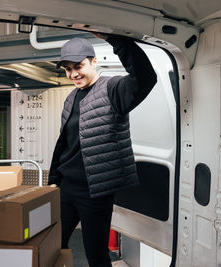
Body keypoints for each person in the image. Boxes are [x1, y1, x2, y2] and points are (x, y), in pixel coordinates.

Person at [48, 33, 157, 267]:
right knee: (53, 244)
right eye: (67, 69)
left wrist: (117, 40)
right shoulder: (71, 98)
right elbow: (66, 143)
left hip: (94, 191)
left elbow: (146, 78)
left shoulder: (113, 88)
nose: (73, 74)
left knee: (96, 254)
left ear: (93, 62)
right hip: (66, 187)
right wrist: (54, 178)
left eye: (78, 66)